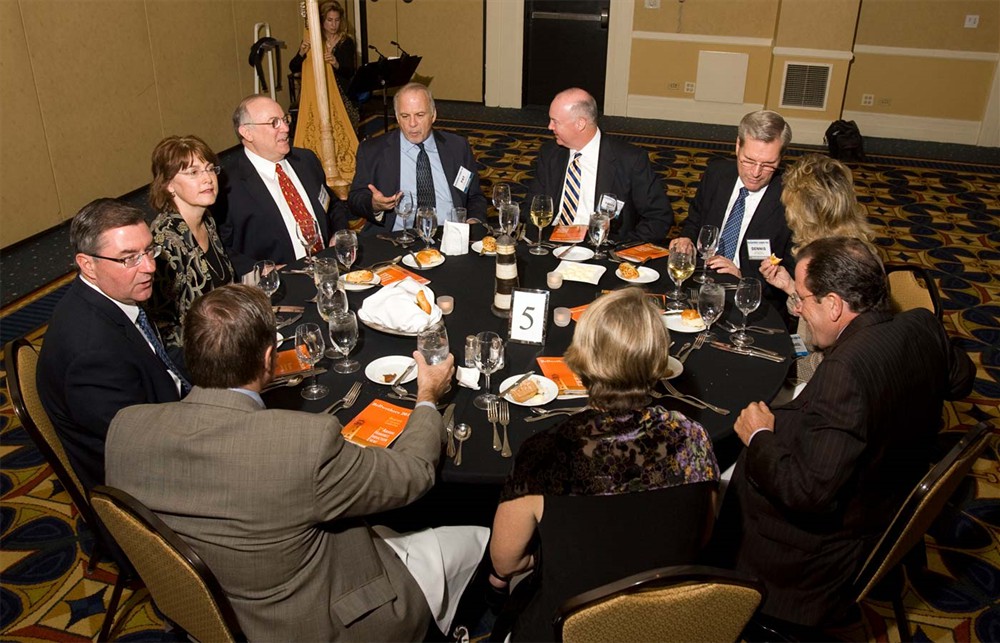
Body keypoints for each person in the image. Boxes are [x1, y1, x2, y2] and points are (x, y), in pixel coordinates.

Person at [105, 284, 488, 641]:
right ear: (270, 359)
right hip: (315, 624)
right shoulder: (303, 445)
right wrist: (427, 396)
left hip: (203, 615)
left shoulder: (125, 428)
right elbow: (413, 475)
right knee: (481, 537)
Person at [712, 236, 975, 628]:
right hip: (888, 493)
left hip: (811, 560)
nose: (797, 307)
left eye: (802, 298)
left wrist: (758, 436)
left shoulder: (844, 373)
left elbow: (806, 493)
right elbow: (963, 379)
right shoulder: (921, 324)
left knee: (704, 482)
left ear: (834, 304)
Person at [489, 287, 719, 642]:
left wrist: (550, 556)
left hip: (567, 631)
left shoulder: (546, 452)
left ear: (581, 360)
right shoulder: (693, 439)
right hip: (664, 627)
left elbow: (504, 563)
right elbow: (701, 538)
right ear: (657, 362)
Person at [37, 198, 186, 491]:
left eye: (149, 250)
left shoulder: (114, 297)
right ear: (88, 265)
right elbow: (146, 446)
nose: (150, 267)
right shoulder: (92, 354)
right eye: (129, 257)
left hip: (164, 418)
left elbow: (158, 362)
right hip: (150, 483)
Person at [759, 153, 876, 386]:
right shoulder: (849, 245)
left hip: (827, 377)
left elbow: (830, 357)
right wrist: (791, 287)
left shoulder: (837, 266)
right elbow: (816, 309)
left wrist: (783, 371)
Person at [216, 94, 349, 275]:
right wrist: (260, 270)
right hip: (278, 287)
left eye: (285, 120)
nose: (286, 128)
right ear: (247, 132)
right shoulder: (226, 185)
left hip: (330, 270)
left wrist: (339, 234)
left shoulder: (306, 160)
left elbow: (332, 205)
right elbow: (218, 248)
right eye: (274, 123)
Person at [528, 88, 674, 243]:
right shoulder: (550, 153)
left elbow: (659, 216)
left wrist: (625, 248)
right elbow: (532, 205)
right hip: (552, 241)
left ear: (580, 124)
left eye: (555, 121)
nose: (549, 127)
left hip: (603, 247)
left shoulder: (629, 159)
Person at [671, 110, 794, 284]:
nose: (756, 172)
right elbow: (695, 220)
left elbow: (793, 271)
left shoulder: (792, 199)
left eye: (768, 165)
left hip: (754, 292)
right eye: (749, 160)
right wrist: (686, 239)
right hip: (701, 275)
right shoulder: (717, 174)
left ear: (781, 157)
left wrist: (742, 277)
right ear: (738, 146)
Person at [348, 82, 487, 231]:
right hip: (397, 237)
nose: (412, 123)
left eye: (420, 115)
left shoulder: (458, 147)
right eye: (405, 116)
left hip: (449, 233)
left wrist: (473, 221)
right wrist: (374, 205)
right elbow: (355, 199)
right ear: (397, 117)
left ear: (433, 115)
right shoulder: (372, 150)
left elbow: (474, 196)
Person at [147, 135, 235, 351]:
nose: (208, 179)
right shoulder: (165, 241)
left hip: (229, 336)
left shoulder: (207, 220)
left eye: (209, 169)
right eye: (194, 173)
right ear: (168, 185)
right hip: (198, 355)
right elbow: (164, 329)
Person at [290, 0, 359, 128]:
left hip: (341, 93)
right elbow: (293, 67)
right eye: (329, 20)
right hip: (316, 93)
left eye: (337, 20)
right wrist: (301, 53)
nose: (334, 25)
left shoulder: (346, 42)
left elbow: (350, 72)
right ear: (321, 21)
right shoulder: (313, 40)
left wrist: (336, 64)